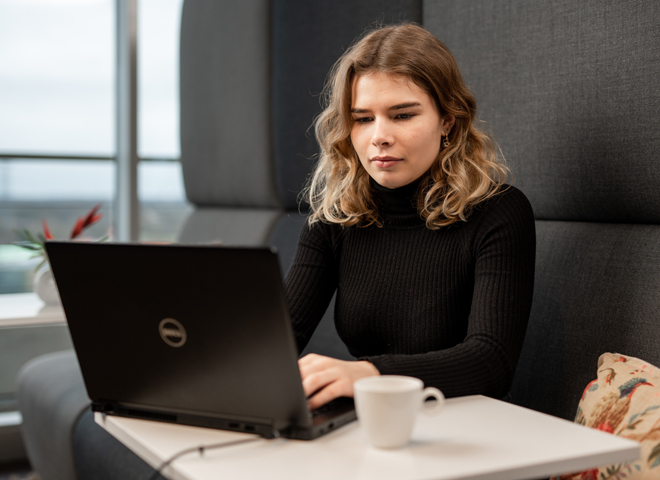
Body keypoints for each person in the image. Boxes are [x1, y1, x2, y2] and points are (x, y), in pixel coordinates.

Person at [285, 23, 536, 410]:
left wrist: (367, 374)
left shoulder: (499, 211)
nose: (378, 136)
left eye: (401, 115)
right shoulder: (334, 217)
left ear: (447, 120)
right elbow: (281, 338)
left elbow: (491, 361)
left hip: (468, 425)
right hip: (373, 421)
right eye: (363, 118)